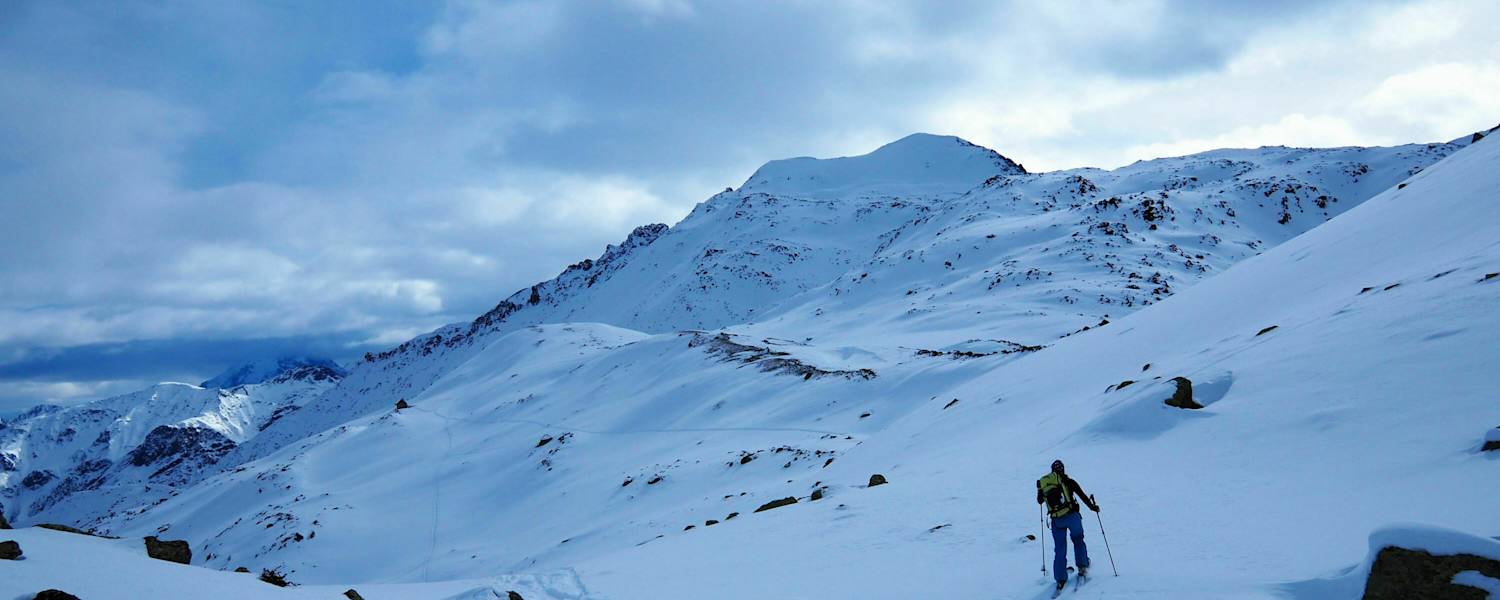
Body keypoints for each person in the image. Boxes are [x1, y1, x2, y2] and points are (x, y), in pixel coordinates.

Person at [1037, 459, 1099, 590]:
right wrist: (1093, 507)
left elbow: (1039, 501)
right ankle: (1082, 566)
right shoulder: (1069, 482)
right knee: (1078, 540)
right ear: (1063, 470)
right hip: (1072, 516)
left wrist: (1039, 490)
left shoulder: (1046, 484)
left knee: (1059, 549)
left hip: (1057, 520)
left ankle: (1060, 579)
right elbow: (1082, 496)